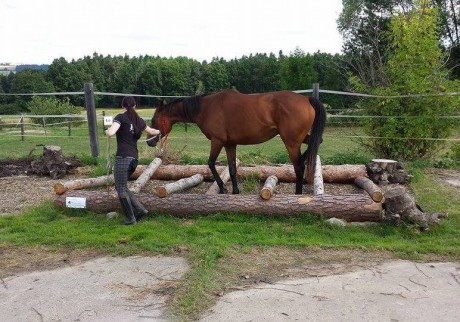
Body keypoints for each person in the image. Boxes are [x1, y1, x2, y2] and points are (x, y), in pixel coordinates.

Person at [105, 96, 160, 225]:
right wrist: (162, 131)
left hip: (123, 158)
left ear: (123, 106)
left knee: (120, 188)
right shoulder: (139, 120)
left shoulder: (120, 117)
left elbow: (111, 132)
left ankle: (130, 218)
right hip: (134, 160)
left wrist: (107, 131)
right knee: (123, 186)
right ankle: (140, 210)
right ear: (135, 106)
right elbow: (152, 131)